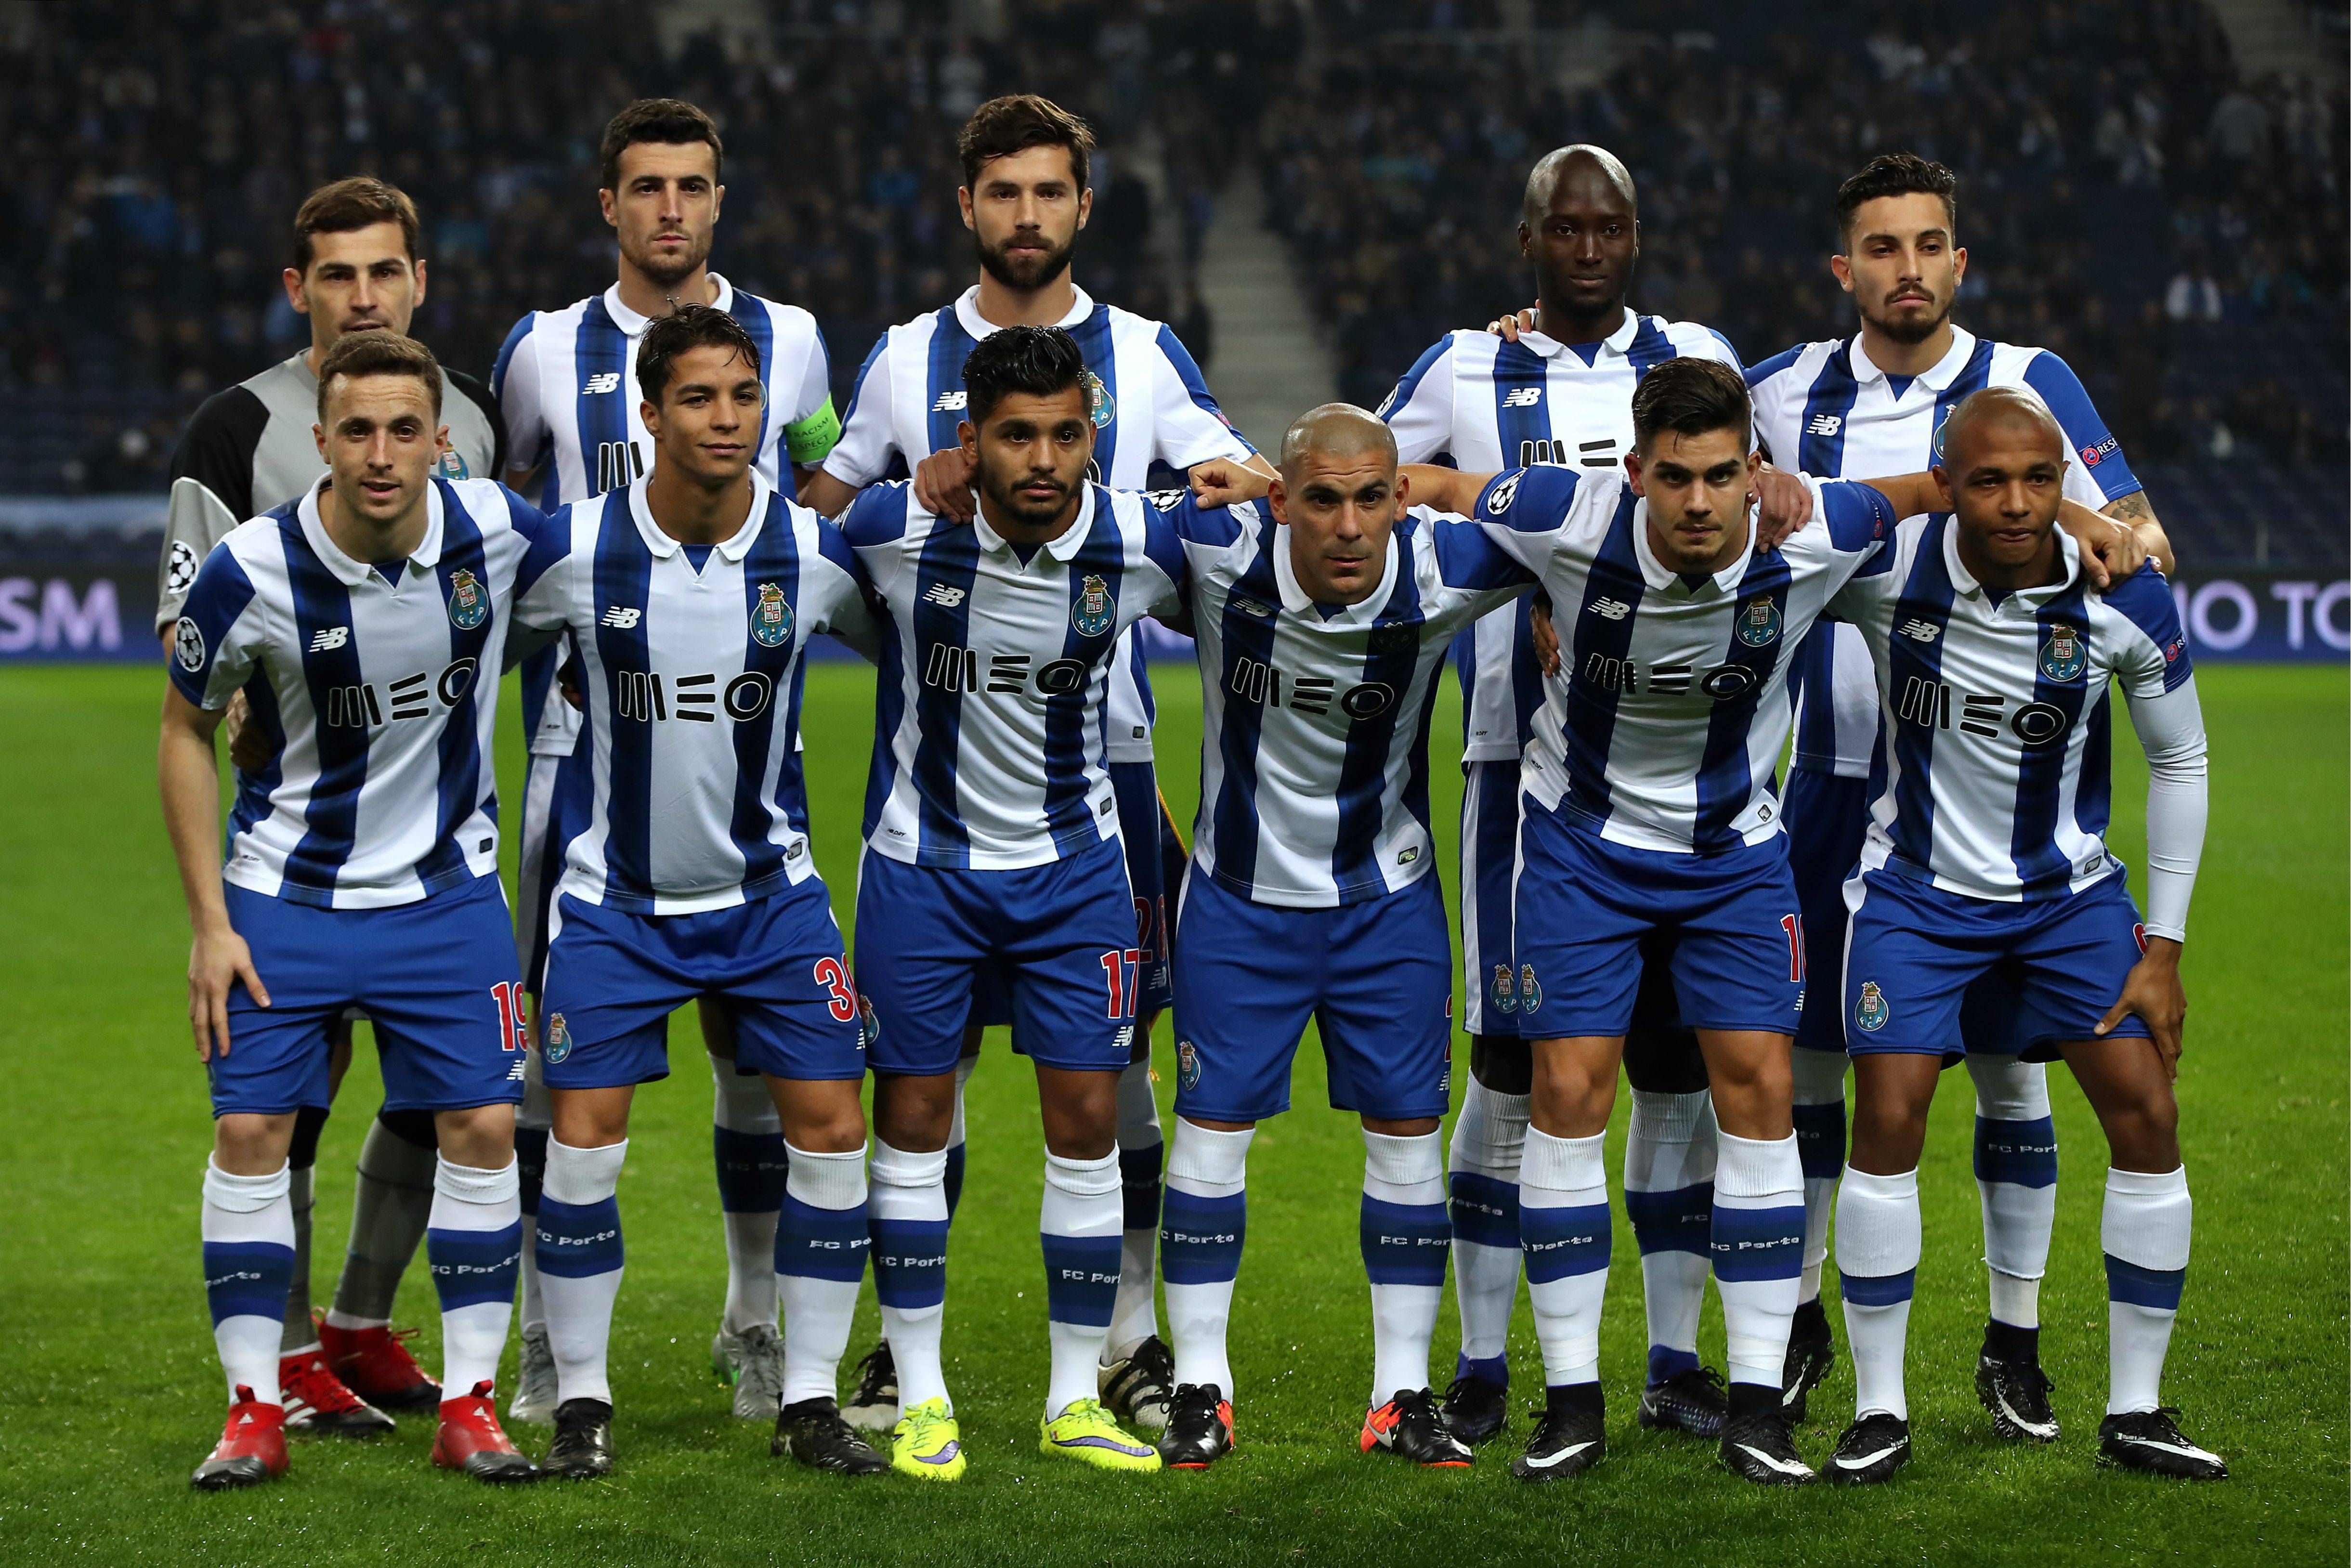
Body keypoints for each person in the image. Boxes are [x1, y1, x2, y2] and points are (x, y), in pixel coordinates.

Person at [1401, 357, 2142, 1485]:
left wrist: (2080, 516)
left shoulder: (1813, 528)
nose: (1698, 502)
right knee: (1566, 1097)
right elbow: (1434, 485)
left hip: (1734, 857)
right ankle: (1570, 1403)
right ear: (1633, 471)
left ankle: (1756, 1405)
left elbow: (1932, 488)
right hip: (1581, 847)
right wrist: (1274, 483)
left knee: (1756, 1101)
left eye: (1720, 475)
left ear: (1754, 469)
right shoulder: (1559, 513)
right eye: (1674, 477)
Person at [801, 92, 1272, 1439]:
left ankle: (1123, 1337)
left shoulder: (1145, 350)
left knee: (1114, 1071)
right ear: (968, 206)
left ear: (1082, 204)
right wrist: (901, 492)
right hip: (937, 757)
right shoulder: (905, 357)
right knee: (925, 1072)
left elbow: (1233, 485)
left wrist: (1245, 481)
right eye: (1002, 192)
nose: (1025, 215)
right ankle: (902, 1354)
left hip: (1102, 767)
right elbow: (822, 517)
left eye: (1048, 191)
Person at [1380, 143, 1811, 1445]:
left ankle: (1675, 1360)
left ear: (1634, 236)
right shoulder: (1464, 364)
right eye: (1562, 229)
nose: (1585, 248)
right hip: (1519, 765)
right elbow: (1380, 490)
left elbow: (1770, 501)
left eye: (1606, 227)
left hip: (1691, 775)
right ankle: (1483, 1362)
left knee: (1679, 1071)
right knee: (1511, 1066)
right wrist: (1525, 584)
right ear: (1527, 241)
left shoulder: (1698, 354)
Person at [1745, 153, 2176, 1433]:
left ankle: (2012, 1343)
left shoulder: (2030, 381)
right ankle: (1808, 1324)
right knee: (1820, 1071)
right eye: (1882, 248)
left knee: (2008, 1071)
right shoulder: (1781, 389)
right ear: (1845, 269)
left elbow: (2141, 531)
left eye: (1928, 244)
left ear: (1958, 260)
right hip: (1827, 783)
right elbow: (1683, 464)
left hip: (1992, 792)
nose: (1908, 269)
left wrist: (2104, 530)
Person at [492, 97, 841, 1424]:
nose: (671, 209)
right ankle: (546, 1336)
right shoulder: (540, 348)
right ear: (610, 204)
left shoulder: (793, 338)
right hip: (583, 750)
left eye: (693, 186)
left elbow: (826, 478)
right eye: (646, 187)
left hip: (747, 735)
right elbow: (511, 523)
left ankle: (754, 1321)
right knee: (557, 1062)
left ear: (719, 199)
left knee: (759, 1060)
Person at [1815, 387, 2219, 1483]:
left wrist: (2164, 947)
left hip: (2066, 903)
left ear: (2061, 485)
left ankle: (2136, 1409)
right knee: (1886, 1119)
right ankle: (1879, 1409)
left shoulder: (2125, 598)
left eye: (2039, 480)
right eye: (1987, 480)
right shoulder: (1886, 570)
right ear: (1945, 484)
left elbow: (2180, 759)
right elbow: (1767, 539)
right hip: (1913, 896)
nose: (2014, 503)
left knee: (2146, 1113)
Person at [509, 307, 885, 1480]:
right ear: (649, 412)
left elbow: (916, 655)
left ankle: (808, 1396)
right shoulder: (575, 549)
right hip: (613, 904)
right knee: (581, 1150)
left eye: (743, 396)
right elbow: (457, 653)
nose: (727, 419)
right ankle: (581, 1400)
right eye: (698, 397)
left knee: (834, 1135)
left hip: (771, 900)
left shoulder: (812, 554)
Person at [155, 176, 506, 1432]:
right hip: (296, 836)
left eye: (385, 271)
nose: (365, 295)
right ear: (298, 288)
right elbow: (192, 649)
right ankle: (290, 1354)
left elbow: (506, 581)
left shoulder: (470, 418)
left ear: (420, 280)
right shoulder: (234, 429)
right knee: (286, 1110)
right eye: (339, 274)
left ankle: (362, 1320)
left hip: (441, 852)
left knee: (445, 1100)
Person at [838, 325, 1214, 1480]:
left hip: (1075, 872)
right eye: (1014, 436)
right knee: (911, 1119)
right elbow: (782, 541)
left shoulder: (1139, 540)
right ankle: (921, 1392)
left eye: (1063, 434)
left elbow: (1278, 542)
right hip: (922, 869)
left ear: (1093, 437)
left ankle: (1070, 1396)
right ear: (970, 443)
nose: (1041, 459)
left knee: (1087, 1123)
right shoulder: (892, 532)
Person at [1145, 405, 1541, 1471]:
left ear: (1400, 495)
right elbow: (1068, 521)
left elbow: (1590, 526)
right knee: (1210, 1141)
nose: (1350, 525)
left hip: (1385, 904)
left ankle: (1399, 1395)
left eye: (1372, 497)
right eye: (1321, 499)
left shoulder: (1445, 563)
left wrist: (1543, 586)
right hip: (1238, 903)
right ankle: (1200, 1387)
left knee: (1407, 1145)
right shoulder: (1211, 546)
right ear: (1279, 500)